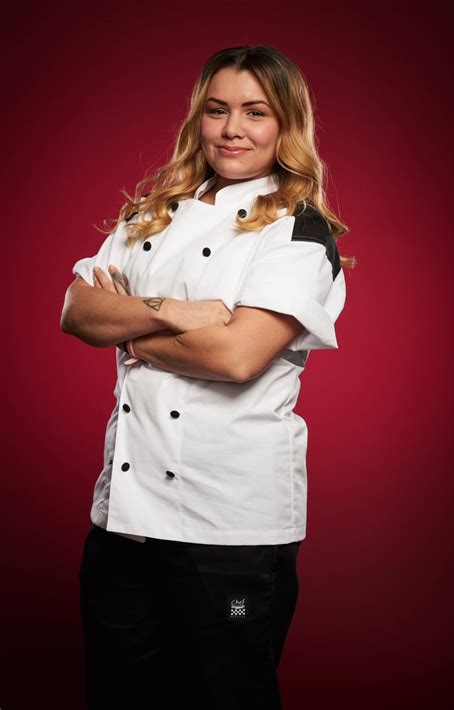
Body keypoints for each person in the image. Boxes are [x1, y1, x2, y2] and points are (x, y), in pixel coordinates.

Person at [61, 44, 355, 710]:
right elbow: (77, 310)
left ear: (285, 125)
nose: (232, 129)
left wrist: (129, 329)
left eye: (255, 112)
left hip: (231, 534)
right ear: (199, 117)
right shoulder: (152, 213)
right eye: (217, 110)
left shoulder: (297, 230)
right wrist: (176, 313)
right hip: (124, 524)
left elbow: (237, 357)